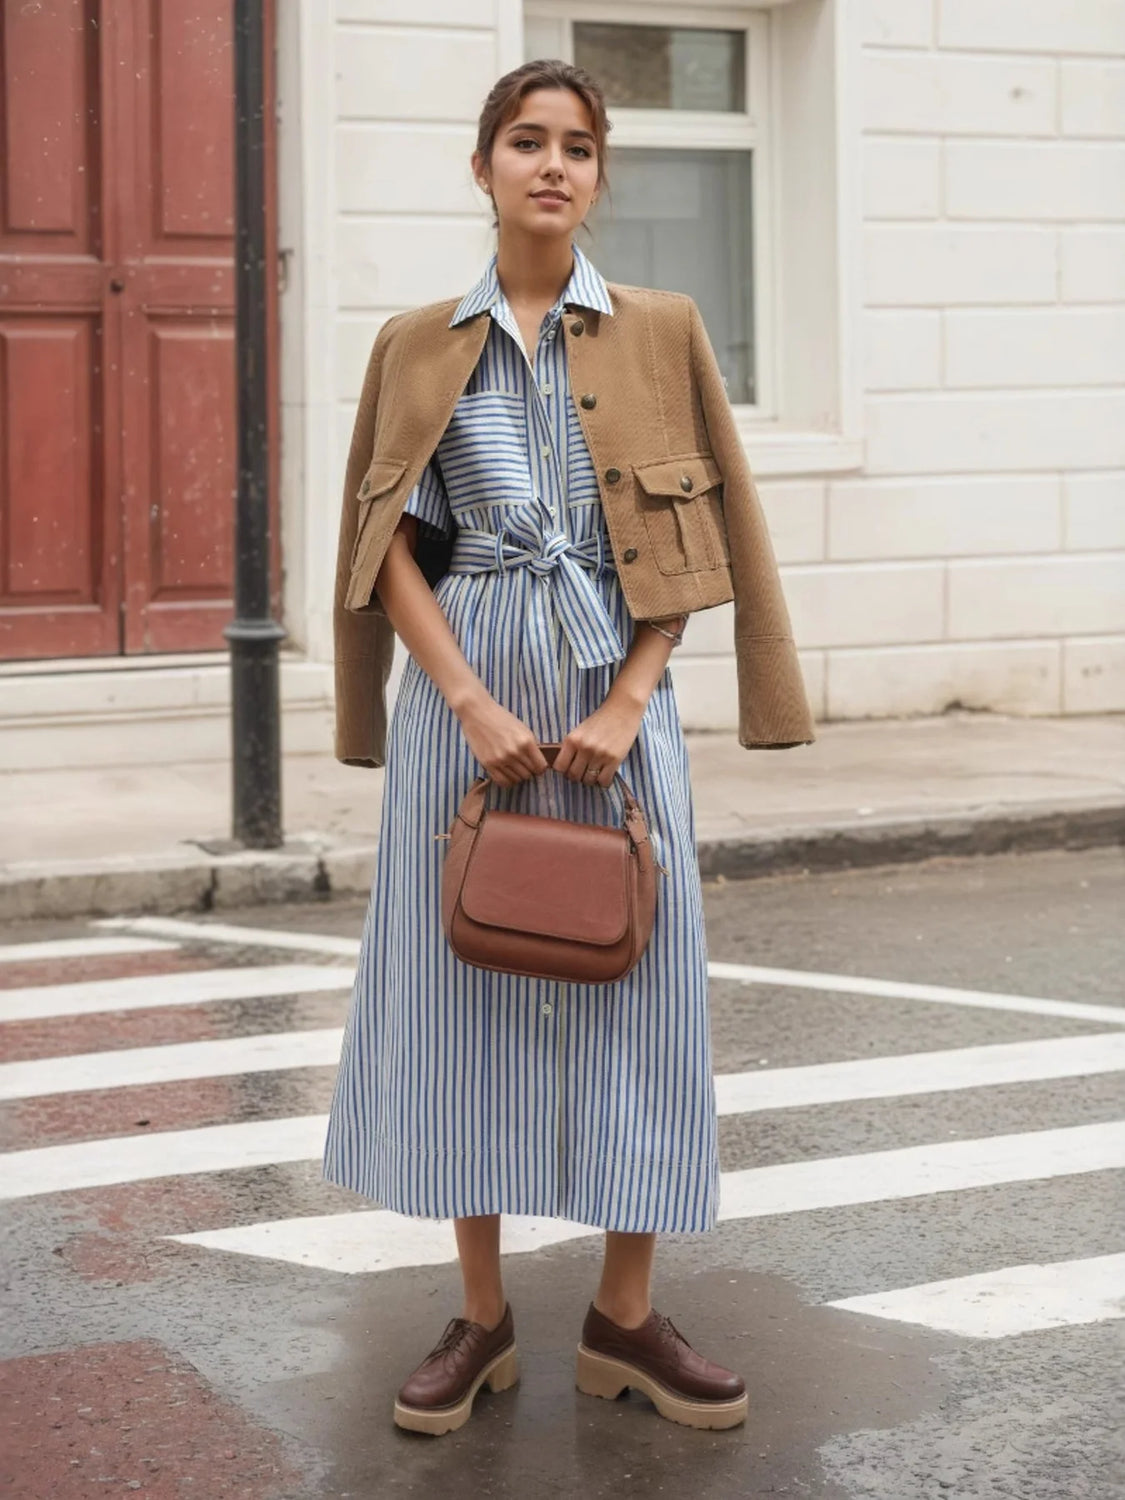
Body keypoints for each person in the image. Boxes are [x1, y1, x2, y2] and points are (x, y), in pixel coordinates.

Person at [322, 58, 814, 1437]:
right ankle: (477, 1321)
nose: (552, 164)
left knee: (637, 995)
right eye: (525, 141)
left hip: (614, 704)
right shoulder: (417, 342)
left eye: (578, 147)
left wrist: (623, 702)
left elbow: (695, 541)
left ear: (600, 177)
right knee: (459, 995)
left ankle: (623, 1316)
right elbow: (391, 547)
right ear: (480, 166)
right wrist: (468, 703)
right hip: (462, 711)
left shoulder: (660, 328)